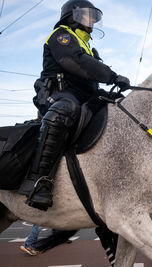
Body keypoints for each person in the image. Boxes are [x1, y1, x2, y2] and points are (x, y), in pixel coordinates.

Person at [18, 0, 131, 211]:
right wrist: (112, 76)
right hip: (58, 94)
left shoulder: (89, 46)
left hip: (83, 97)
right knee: (65, 110)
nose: (92, 21)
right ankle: (38, 181)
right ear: (73, 15)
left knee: (115, 112)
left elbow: (91, 79)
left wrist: (109, 94)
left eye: (94, 17)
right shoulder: (61, 36)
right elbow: (75, 61)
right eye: (88, 15)